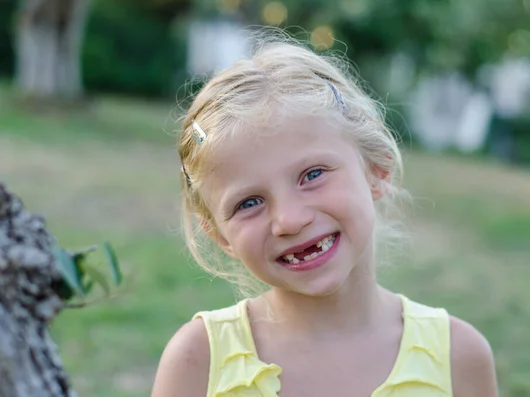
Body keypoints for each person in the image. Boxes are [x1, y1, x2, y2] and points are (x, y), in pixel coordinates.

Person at [151, 32, 498, 397]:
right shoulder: (198, 362)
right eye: (249, 203)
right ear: (220, 235)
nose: (289, 220)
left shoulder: (458, 357)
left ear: (376, 170)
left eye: (312, 175)